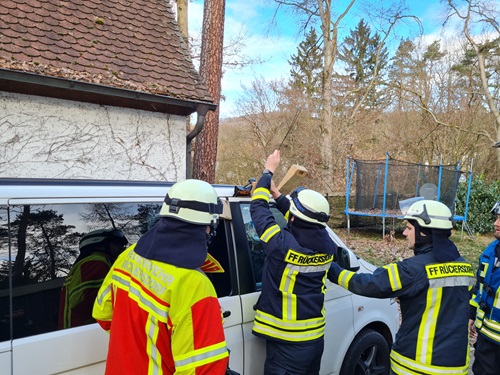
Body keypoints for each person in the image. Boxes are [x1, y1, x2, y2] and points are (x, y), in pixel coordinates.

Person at [92, 179, 229, 374]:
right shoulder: (193, 284)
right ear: (208, 225)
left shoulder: (129, 255)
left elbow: (103, 314)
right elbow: (203, 370)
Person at [329, 199, 474, 375]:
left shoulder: (413, 270)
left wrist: (332, 270)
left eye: (409, 228)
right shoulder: (465, 267)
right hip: (456, 367)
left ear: (424, 233)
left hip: (417, 367)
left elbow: (370, 284)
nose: (404, 232)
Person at [250, 149, 338, 375]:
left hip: (286, 344)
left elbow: (258, 208)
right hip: (314, 339)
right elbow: (302, 218)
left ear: (294, 219)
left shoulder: (280, 245)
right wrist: (277, 194)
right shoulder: (327, 246)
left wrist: (268, 170)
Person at [58, 228, 128, 329]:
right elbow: (90, 303)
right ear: (98, 245)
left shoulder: (92, 262)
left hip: (83, 331)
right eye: (116, 243)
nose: (121, 247)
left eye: (122, 244)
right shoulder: (95, 262)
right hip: (89, 330)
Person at [469, 201, 500, 375]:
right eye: (496, 218)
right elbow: (479, 287)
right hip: (486, 339)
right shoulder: (490, 252)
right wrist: (472, 315)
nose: (496, 223)